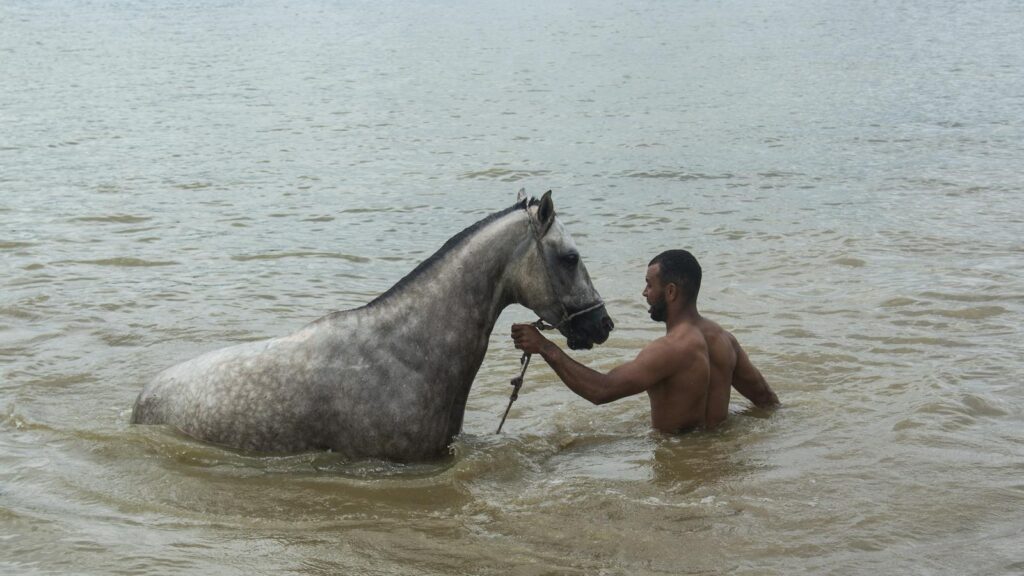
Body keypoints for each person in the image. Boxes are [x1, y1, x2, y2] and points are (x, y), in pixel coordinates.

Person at [511, 249, 779, 432]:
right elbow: (766, 400)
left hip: (680, 478)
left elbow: (601, 391)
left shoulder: (670, 350)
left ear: (670, 292)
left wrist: (546, 348)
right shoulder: (725, 341)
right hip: (717, 468)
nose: (644, 293)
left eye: (650, 285)